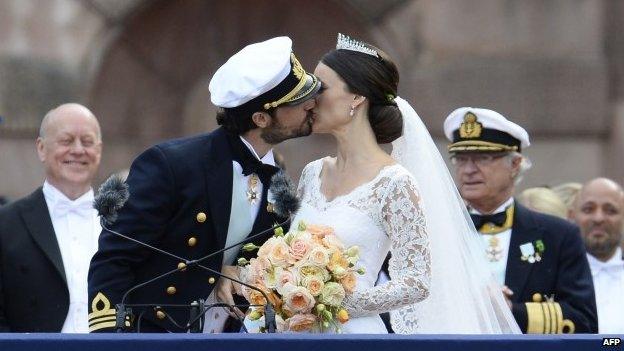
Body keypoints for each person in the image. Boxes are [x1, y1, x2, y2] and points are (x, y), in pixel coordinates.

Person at [244, 33, 520, 333]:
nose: (310, 100)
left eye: (321, 87)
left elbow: (416, 283)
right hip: (292, 332)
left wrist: (330, 301)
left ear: (357, 97)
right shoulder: (313, 172)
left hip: (351, 334)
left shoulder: (394, 183)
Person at [87, 36, 321, 333]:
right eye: (299, 103)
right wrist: (111, 339)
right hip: (158, 336)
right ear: (261, 118)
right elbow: (115, 258)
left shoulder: (276, 174)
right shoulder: (170, 164)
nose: (312, 105)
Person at [444, 107, 598, 333]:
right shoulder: (437, 232)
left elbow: (585, 321)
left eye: (482, 158)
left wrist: (511, 311)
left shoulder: (558, 235)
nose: (468, 170)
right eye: (460, 159)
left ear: (515, 165)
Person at [0, 103, 103, 332]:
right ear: (41, 148)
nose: (78, 150)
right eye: (66, 141)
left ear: (99, 149)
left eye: (87, 142)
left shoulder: (125, 223)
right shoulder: (5, 224)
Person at [569, 178, 624, 333]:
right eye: (588, 209)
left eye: (610, 210)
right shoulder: (554, 274)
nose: (598, 218)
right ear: (571, 216)